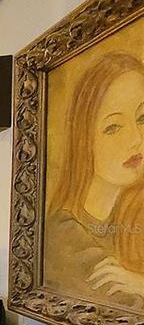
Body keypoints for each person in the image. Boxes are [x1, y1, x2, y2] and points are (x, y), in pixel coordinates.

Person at [45, 51, 144, 310]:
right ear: (84, 139)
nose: (136, 139)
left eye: (142, 119)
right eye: (113, 127)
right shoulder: (64, 233)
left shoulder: (136, 213)